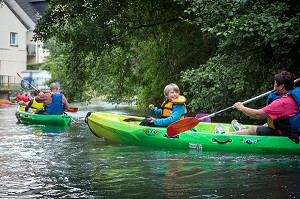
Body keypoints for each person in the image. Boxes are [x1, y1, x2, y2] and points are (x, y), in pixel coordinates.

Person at [227, 71, 300, 140]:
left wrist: (241, 108)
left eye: (275, 83)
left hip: (287, 134)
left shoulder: (281, 103)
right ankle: (241, 130)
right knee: (266, 125)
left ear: (281, 87)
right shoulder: (297, 92)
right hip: (291, 129)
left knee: (253, 129)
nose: (274, 85)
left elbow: (257, 114)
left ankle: (224, 136)